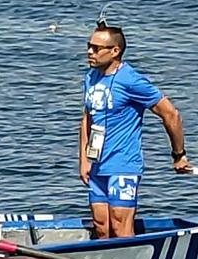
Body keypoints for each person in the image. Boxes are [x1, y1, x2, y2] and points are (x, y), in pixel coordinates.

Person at [80, 24, 190, 238]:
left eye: (96, 48)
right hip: (97, 163)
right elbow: (87, 118)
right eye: (88, 46)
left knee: (120, 224)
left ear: (115, 51)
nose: (89, 52)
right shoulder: (90, 77)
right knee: (101, 225)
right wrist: (83, 159)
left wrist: (179, 154)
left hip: (123, 163)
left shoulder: (132, 81)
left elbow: (171, 114)